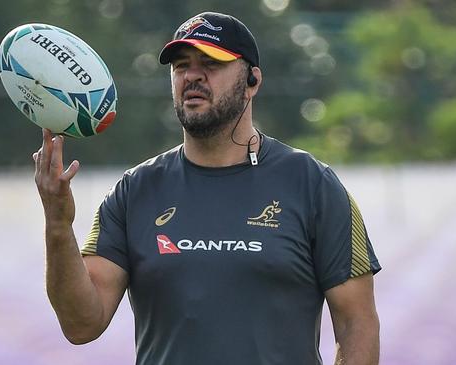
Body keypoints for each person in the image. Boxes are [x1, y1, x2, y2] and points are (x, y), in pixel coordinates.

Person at [33, 11, 381, 365]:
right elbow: (81, 325)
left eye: (210, 63)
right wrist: (58, 226)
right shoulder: (133, 191)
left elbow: (358, 324)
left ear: (252, 80)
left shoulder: (313, 185)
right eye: (181, 65)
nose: (192, 75)